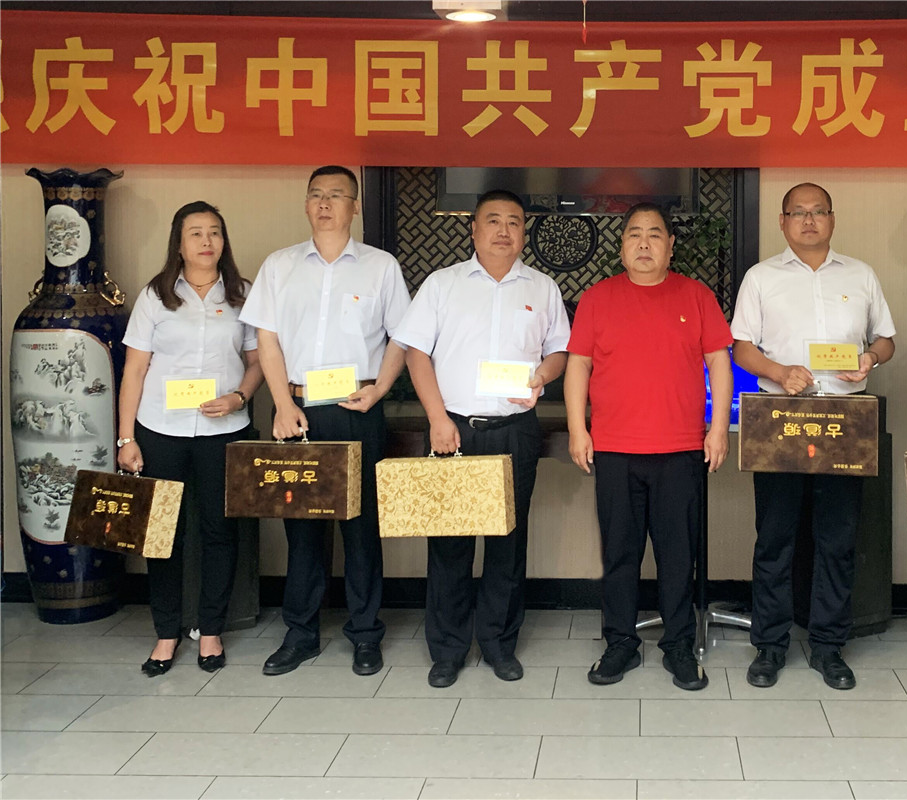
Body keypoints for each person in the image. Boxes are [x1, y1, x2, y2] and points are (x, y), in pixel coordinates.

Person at [239, 166, 411, 677]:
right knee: (302, 530)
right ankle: (301, 634)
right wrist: (281, 404)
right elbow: (266, 340)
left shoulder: (380, 267)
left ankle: (365, 634)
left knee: (361, 528)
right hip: (297, 410)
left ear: (355, 207)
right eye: (316, 195)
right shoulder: (280, 265)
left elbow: (402, 338)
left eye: (336, 195)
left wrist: (380, 388)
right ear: (306, 204)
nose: (325, 204)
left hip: (358, 408)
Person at [394, 189, 570, 688]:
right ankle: (448, 649)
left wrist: (541, 376)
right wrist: (436, 418)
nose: (503, 231)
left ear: (524, 233)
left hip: (514, 430)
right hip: (452, 428)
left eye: (514, 222)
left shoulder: (542, 288)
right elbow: (415, 353)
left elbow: (560, 351)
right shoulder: (442, 284)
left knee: (507, 544)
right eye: (493, 220)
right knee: (449, 543)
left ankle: (498, 644)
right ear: (473, 229)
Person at [731, 182, 895, 690]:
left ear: (832, 219)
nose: (808, 220)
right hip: (780, 417)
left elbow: (886, 339)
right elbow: (741, 348)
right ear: (782, 222)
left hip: (844, 421)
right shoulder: (761, 277)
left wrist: (870, 358)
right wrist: (779, 371)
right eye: (798, 212)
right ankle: (770, 645)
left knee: (838, 539)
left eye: (818, 211)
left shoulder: (861, 275)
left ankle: (828, 646)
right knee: (775, 537)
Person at [566, 202, 733, 691]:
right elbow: (578, 365)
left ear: (670, 246)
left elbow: (719, 364)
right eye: (634, 234)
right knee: (620, 553)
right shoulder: (598, 298)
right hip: (615, 448)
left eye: (654, 234)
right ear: (622, 246)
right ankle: (619, 642)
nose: (644, 243)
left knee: (678, 556)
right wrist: (578, 429)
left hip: (680, 449)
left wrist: (718, 429)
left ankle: (679, 645)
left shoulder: (696, 295)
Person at [118, 201, 264, 676]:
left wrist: (239, 397)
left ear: (224, 241)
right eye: (196, 233)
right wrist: (125, 438)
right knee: (163, 533)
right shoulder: (155, 295)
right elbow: (134, 370)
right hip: (160, 428)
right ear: (178, 244)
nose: (206, 241)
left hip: (223, 431)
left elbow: (258, 361)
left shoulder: (242, 294)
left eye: (215, 232)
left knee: (219, 532)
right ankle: (166, 633)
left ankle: (212, 630)